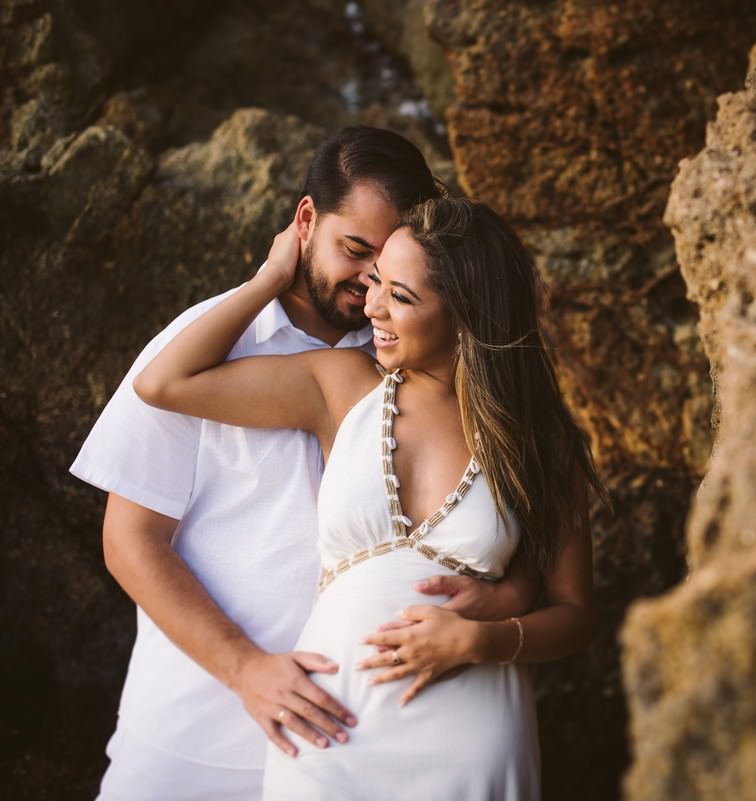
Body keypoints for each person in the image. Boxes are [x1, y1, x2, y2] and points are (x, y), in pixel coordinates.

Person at [70, 128, 535, 801]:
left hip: (354, 737)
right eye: (356, 250)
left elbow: (501, 525)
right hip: (191, 735)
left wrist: (511, 597)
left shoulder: (412, 356)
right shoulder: (206, 344)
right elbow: (129, 541)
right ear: (306, 220)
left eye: (387, 263)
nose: (370, 282)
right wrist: (245, 669)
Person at [133, 196, 600, 800]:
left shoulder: (541, 441)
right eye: (376, 280)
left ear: (466, 314)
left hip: (471, 735)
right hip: (330, 727)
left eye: (400, 296)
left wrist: (483, 640)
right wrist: (269, 279)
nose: (372, 306)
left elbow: (577, 615)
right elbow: (164, 383)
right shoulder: (341, 386)